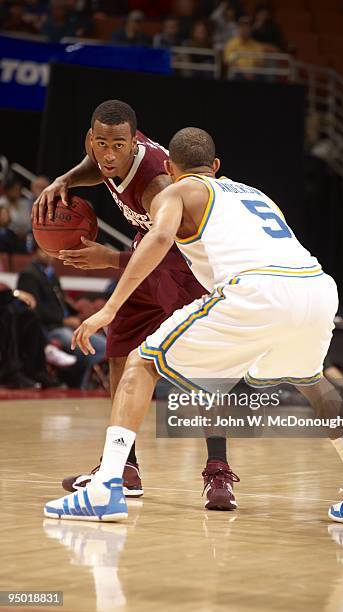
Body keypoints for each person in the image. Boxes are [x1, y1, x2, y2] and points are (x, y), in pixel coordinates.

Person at [44, 127, 343, 528]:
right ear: (217, 166)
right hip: (316, 286)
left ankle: (106, 488)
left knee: (141, 362)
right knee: (314, 382)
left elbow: (157, 241)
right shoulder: (257, 194)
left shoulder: (176, 191)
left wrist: (109, 309)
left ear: (171, 168)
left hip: (257, 287)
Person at [33, 100, 236, 508]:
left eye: (118, 146)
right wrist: (65, 180)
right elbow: (98, 168)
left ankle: (219, 471)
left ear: (132, 144)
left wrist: (107, 258)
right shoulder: (107, 151)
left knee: (202, 370)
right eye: (102, 143)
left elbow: (167, 244)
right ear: (92, 139)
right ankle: (122, 466)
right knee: (119, 352)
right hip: (148, 256)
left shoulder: (157, 183)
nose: (109, 154)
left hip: (187, 263)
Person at [17, 244, 106, 389]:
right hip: (49, 328)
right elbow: (35, 310)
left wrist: (75, 318)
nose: (47, 254)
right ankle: (79, 385)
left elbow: (61, 304)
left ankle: (81, 382)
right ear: (35, 252)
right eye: (43, 250)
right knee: (85, 348)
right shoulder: (29, 275)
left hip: (65, 325)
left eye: (49, 251)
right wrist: (63, 320)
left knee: (102, 345)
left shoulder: (52, 275)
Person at [223, 16, 265, 80]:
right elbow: (228, 61)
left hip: (254, 73)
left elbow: (260, 62)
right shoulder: (231, 44)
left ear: (251, 29)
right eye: (242, 26)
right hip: (237, 73)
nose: (245, 29)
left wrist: (252, 72)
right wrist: (244, 73)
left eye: (247, 26)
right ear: (238, 28)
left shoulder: (257, 45)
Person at [0, 174, 32, 241]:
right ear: (7, 190)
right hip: (9, 236)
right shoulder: (2, 202)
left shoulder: (24, 203)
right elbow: (4, 223)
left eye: (18, 189)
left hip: (25, 236)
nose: (17, 192)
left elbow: (28, 223)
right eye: (14, 189)